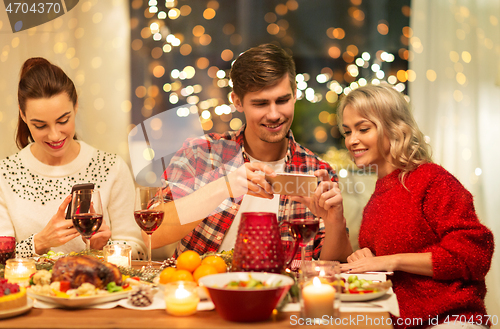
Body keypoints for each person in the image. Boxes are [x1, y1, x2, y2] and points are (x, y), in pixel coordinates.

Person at [149, 43, 353, 261]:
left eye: (282, 100)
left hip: (282, 293)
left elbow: (335, 264)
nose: (274, 114)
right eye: (261, 103)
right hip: (200, 290)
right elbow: (150, 234)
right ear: (237, 101)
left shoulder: (318, 171)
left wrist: (334, 221)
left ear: (295, 94)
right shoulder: (199, 154)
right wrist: (225, 186)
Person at [313, 84, 494, 328]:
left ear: (394, 127)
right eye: (347, 132)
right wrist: (365, 257)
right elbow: (382, 264)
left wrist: (389, 261)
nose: (352, 140)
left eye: (363, 129)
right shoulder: (379, 192)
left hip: (450, 320)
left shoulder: (432, 180)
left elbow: (474, 255)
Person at [0, 57, 146, 259]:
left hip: (96, 290)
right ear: (23, 116)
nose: (54, 135)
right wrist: (40, 242)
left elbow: (138, 250)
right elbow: (1, 260)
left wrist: (104, 247)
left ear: (76, 105)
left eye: (63, 120)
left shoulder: (111, 168)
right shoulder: (5, 175)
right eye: (40, 126)